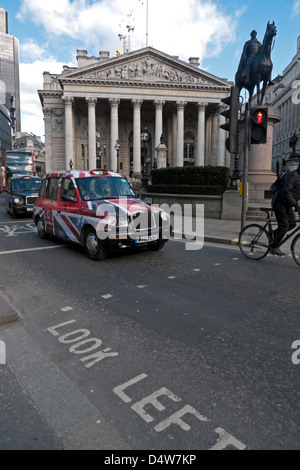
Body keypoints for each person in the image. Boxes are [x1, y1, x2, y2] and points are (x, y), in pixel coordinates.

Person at [271, 164, 300, 255]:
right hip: (279, 202)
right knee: (284, 225)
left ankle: (274, 235)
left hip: (287, 203)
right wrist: (295, 205)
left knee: (292, 224)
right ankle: (274, 247)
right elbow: (286, 191)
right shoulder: (294, 175)